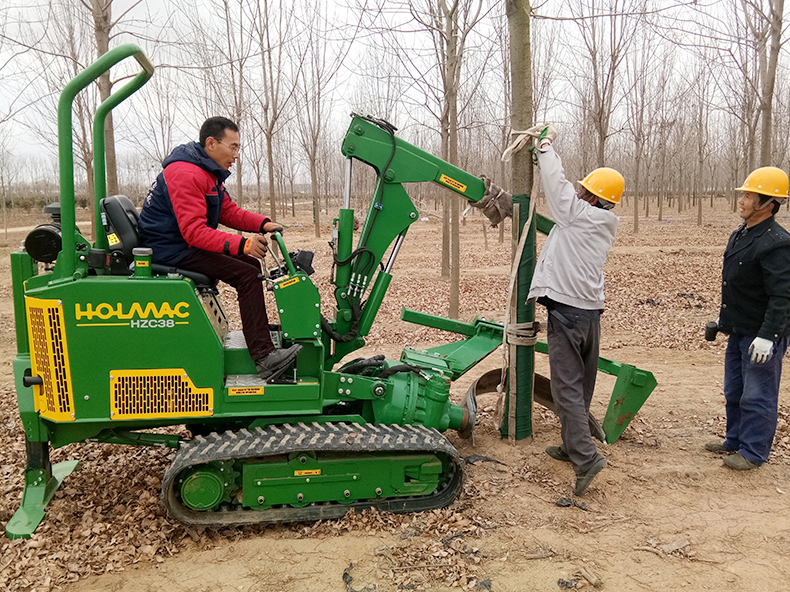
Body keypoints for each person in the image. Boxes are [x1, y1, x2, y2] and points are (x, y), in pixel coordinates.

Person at [138, 116, 301, 381]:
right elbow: (193, 231)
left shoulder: (206, 172)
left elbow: (228, 211)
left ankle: (258, 332)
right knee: (247, 274)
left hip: (179, 242)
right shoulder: (186, 173)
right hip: (169, 248)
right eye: (233, 147)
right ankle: (264, 357)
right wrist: (243, 244)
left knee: (248, 267)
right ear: (212, 143)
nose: (236, 155)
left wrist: (263, 223)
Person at [525, 123, 623, 496]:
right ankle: (571, 444)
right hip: (589, 314)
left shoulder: (581, 215)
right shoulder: (600, 221)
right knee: (581, 386)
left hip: (567, 314)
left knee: (566, 389)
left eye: (586, 190)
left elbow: (558, 189)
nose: (579, 192)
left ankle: (586, 457)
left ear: (594, 199)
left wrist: (545, 148)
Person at [706, 167, 790, 470]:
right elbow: (735, 283)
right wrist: (722, 321)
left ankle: (753, 452)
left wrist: (769, 335)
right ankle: (735, 439)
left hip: (761, 335)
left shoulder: (777, 242)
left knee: (758, 395)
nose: (742, 199)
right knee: (735, 390)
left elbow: (783, 295)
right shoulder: (742, 233)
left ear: (767, 203)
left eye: (749, 195)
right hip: (739, 330)